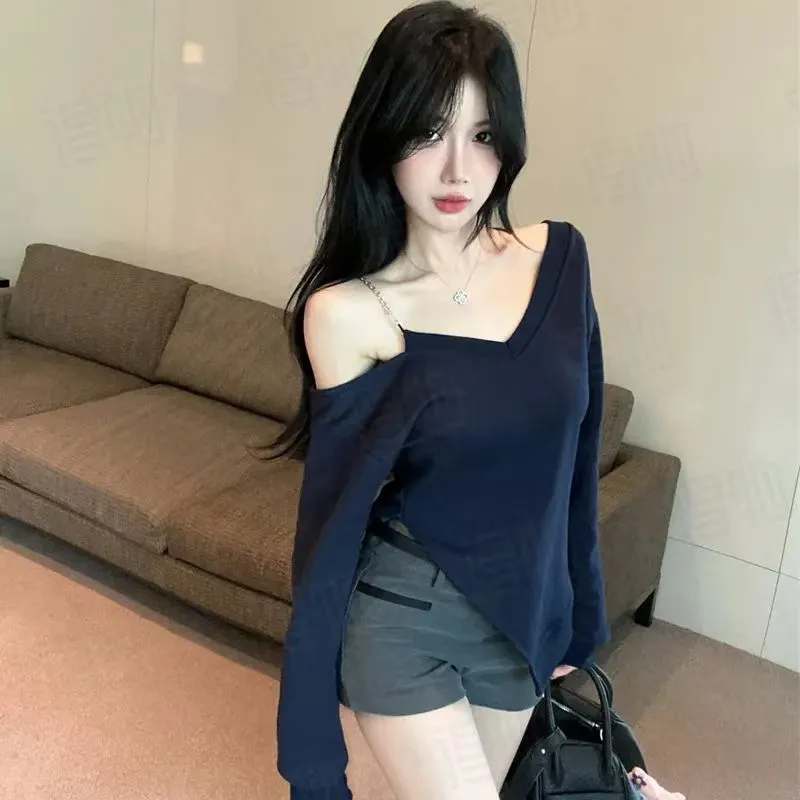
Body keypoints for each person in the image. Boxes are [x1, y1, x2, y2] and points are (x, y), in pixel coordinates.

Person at [256, 2, 687, 799]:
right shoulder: (348, 313)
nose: (458, 170)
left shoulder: (560, 260)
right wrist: (310, 748)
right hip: (402, 613)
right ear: (383, 134)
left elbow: (575, 463)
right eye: (428, 132)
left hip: (520, 621)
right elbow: (329, 529)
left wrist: (579, 619)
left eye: (483, 134)